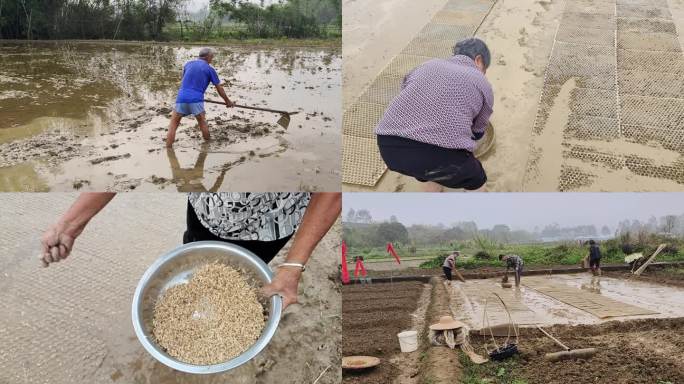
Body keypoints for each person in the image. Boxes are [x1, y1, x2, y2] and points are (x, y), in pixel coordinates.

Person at [40, 192, 341, 310]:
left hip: (267, 224)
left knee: (238, 275)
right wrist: (70, 223)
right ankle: (199, 299)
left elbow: (332, 191)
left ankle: (226, 304)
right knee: (197, 260)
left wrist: (294, 266)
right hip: (206, 208)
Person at [375, 38, 494, 192]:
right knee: (477, 178)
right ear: (479, 60)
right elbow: (478, 132)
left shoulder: (427, 65)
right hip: (437, 156)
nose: (483, 74)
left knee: (425, 170)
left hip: (389, 146)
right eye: (485, 69)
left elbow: (406, 92)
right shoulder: (482, 82)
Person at [166, 47, 235, 148]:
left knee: (173, 125)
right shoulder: (209, 69)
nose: (212, 59)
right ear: (208, 57)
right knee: (202, 122)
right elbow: (219, 88)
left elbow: (185, 81)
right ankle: (207, 146)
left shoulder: (188, 64)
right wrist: (228, 101)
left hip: (181, 98)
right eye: (212, 57)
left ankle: (168, 149)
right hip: (196, 100)